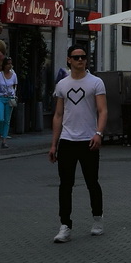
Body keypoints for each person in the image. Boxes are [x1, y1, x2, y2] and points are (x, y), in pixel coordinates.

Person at [49, 44, 107, 243]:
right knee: (65, 185)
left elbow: (102, 110)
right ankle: (65, 225)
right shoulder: (62, 85)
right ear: (69, 60)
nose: (80, 60)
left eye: (83, 57)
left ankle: (97, 218)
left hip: (88, 140)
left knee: (92, 182)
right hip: (67, 140)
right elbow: (58, 115)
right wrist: (54, 144)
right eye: (76, 57)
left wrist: (98, 133)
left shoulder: (96, 83)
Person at [0, 56, 18, 148]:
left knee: (7, 120)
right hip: (0, 98)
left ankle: (4, 141)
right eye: (8, 63)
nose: (9, 65)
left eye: (10, 63)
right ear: (4, 65)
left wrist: (14, 95)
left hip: (9, 99)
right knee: (1, 119)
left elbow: (15, 87)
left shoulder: (14, 75)